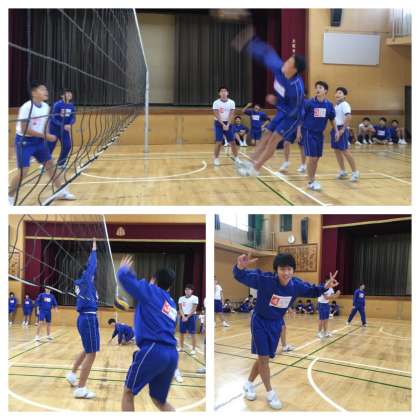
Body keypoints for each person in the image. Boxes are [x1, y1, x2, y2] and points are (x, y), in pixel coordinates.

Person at [233, 252, 339, 409]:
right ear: (276, 270)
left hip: (276, 324)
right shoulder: (265, 280)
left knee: (264, 357)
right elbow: (241, 276)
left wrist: (325, 286)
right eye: (282, 269)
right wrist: (240, 267)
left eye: (289, 269)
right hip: (260, 322)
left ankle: (248, 384)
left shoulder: (296, 285)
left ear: (293, 270)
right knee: (264, 359)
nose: (286, 273)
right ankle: (270, 393)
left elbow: (312, 290)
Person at [232, 25, 305, 177]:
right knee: (266, 135)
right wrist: (249, 43)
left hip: (293, 116)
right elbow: (267, 53)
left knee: (273, 140)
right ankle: (250, 161)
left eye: (289, 63)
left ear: (295, 70)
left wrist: (276, 101)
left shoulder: (296, 89)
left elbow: (295, 109)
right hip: (282, 110)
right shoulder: (279, 68)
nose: (285, 62)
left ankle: (256, 168)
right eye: (287, 60)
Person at [117, 256, 179, 411]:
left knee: (128, 392)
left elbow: (125, 280)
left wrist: (124, 269)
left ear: (154, 280)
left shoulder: (151, 291)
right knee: (159, 400)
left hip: (154, 351)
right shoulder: (171, 304)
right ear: (169, 287)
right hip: (172, 354)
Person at [8, 81, 75, 205]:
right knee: (24, 170)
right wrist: (46, 136)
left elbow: (45, 124)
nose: (46, 91)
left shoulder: (45, 107)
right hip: (24, 141)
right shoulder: (27, 107)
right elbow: (24, 129)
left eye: (46, 89)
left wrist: (45, 135)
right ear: (34, 93)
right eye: (42, 89)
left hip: (39, 142)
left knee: (50, 164)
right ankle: (9, 197)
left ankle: (60, 191)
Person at [66, 239, 99, 399]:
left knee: (87, 349)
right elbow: (91, 266)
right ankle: (81, 388)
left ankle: (72, 374)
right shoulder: (85, 281)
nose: (93, 276)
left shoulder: (86, 286)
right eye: (91, 274)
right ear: (86, 274)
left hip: (86, 318)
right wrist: (94, 250)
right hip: (88, 319)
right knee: (92, 353)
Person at [299, 81, 337, 191]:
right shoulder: (309, 103)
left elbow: (332, 119)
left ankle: (312, 179)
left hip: (319, 134)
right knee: (313, 157)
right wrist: (298, 131)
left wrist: (336, 131)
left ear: (325, 91)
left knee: (316, 159)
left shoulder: (329, 105)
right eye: (317, 87)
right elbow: (300, 118)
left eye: (320, 87)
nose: (318, 89)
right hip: (308, 132)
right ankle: (311, 181)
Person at [332, 87, 359, 182]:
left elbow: (348, 116)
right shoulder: (336, 106)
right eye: (336, 93)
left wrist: (343, 129)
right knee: (337, 150)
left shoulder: (345, 104)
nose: (337, 94)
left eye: (340, 93)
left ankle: (355, 172)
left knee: (345, 151)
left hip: (341, 129)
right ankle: (343, 171)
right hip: (335, 129)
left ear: (344, 96)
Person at [47, 88, 76, 168]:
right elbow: (53, 118)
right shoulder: (57, 105)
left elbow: (73, 117)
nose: (69, 94)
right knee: (50, 146)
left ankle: (61, 163)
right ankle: (44, 163)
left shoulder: (71, 106)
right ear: (62, 96)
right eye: (67, 93)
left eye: (70, 93)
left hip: (65, 130)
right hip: (54, 129)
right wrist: (63, 125)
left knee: (67, 146)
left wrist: (70, 124)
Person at [212, 87, 241, 166]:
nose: (223, 93)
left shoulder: (232, 102)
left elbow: (231, 114)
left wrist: (227, 124)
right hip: (219, 123)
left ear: (227, 93)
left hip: (228, 123)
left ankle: (236, 158)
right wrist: (223, 124)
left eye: (225, 91)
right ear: (219, 93)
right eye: (222, 91)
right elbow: (217, 115)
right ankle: (216, 158)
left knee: (233, 142)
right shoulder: (216, 103)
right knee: (219, 142)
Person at [178, 284, 199, 355]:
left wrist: (187, 317)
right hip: (183, 316)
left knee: (192, 333)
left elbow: (194, 309)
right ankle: (181, 347)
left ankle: (193, 349)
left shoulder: (195, 298)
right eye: (186, 289)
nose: (187, 291)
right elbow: (180, 308)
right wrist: (183, 316)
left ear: (192, 291)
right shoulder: (181, 298)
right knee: (181, 333)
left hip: (191, 316)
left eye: (189, 289)